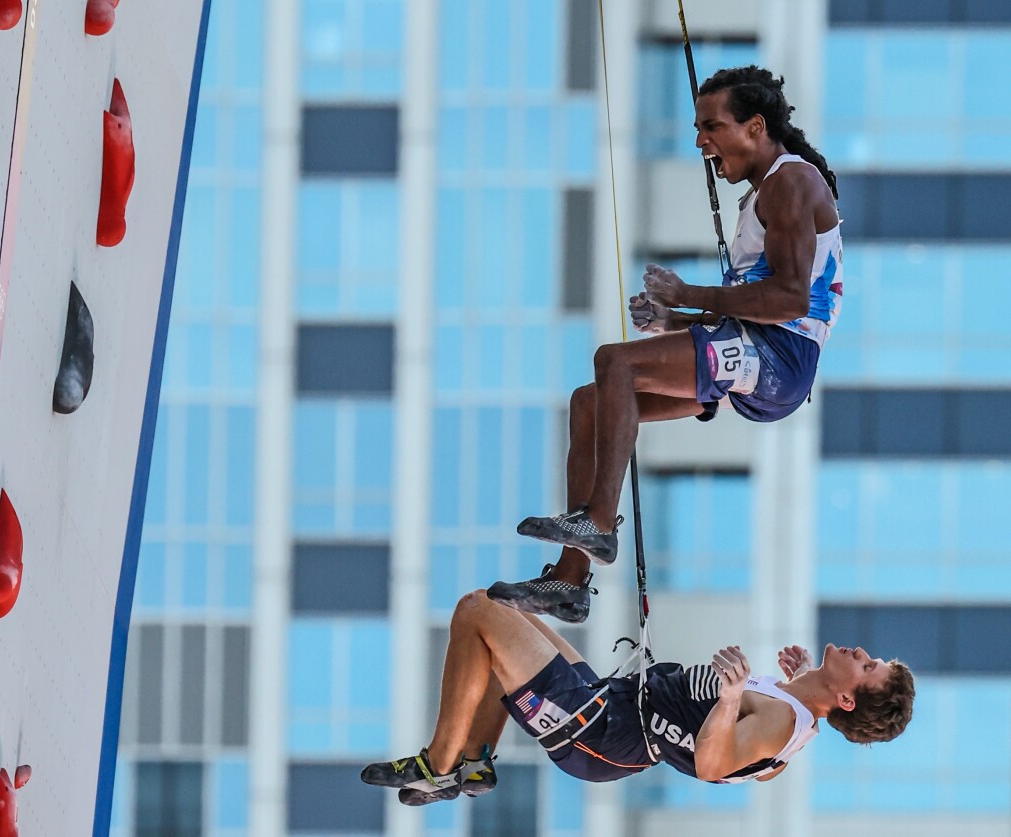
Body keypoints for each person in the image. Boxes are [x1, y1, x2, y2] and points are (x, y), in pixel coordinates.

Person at [486, 65, 843, 623]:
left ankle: (599, 522)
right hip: (757, 355)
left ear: (754, 127)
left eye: (711, 127)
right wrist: (673, 320)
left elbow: (792, 300)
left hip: (779, 360)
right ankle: (569, 582)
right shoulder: (765, 193)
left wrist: (688, 292)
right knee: (590, 401)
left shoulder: (792, 182)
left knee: (615, 362)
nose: (701, 141)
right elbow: (754, 305)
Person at [361, 590, 914, 805]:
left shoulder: (786, 718)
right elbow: (760, 769)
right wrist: (787, 684)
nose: (862, 651)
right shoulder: (797, 720)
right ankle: (475, 765)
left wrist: (730, 701)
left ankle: (438, 766)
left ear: (847, 698)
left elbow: (712, 766)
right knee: (499, 610)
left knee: (475, 613)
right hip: (612, 706)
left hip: (604, 732)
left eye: (867, 666)